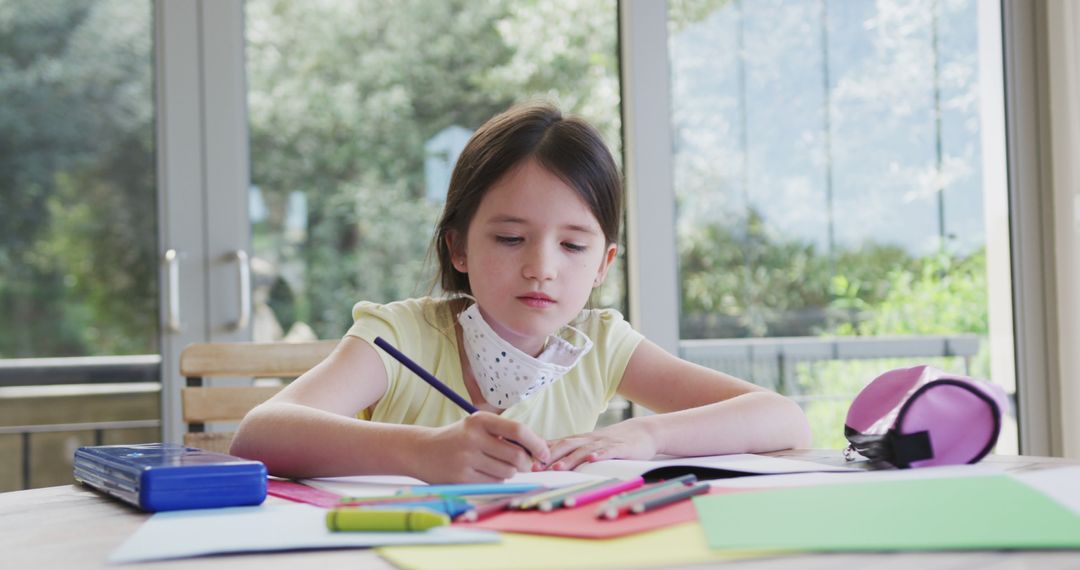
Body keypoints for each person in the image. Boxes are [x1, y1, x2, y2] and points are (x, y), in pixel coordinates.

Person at [230, 103, 812, 483]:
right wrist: (423, 452)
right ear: (458, 249)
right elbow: (259, 433)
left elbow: (783, 419)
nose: (541, 268)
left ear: (605, 264)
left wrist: (646, 434)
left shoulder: (601, 343)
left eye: (574, 247)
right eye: (511, 238)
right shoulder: (398, 337)